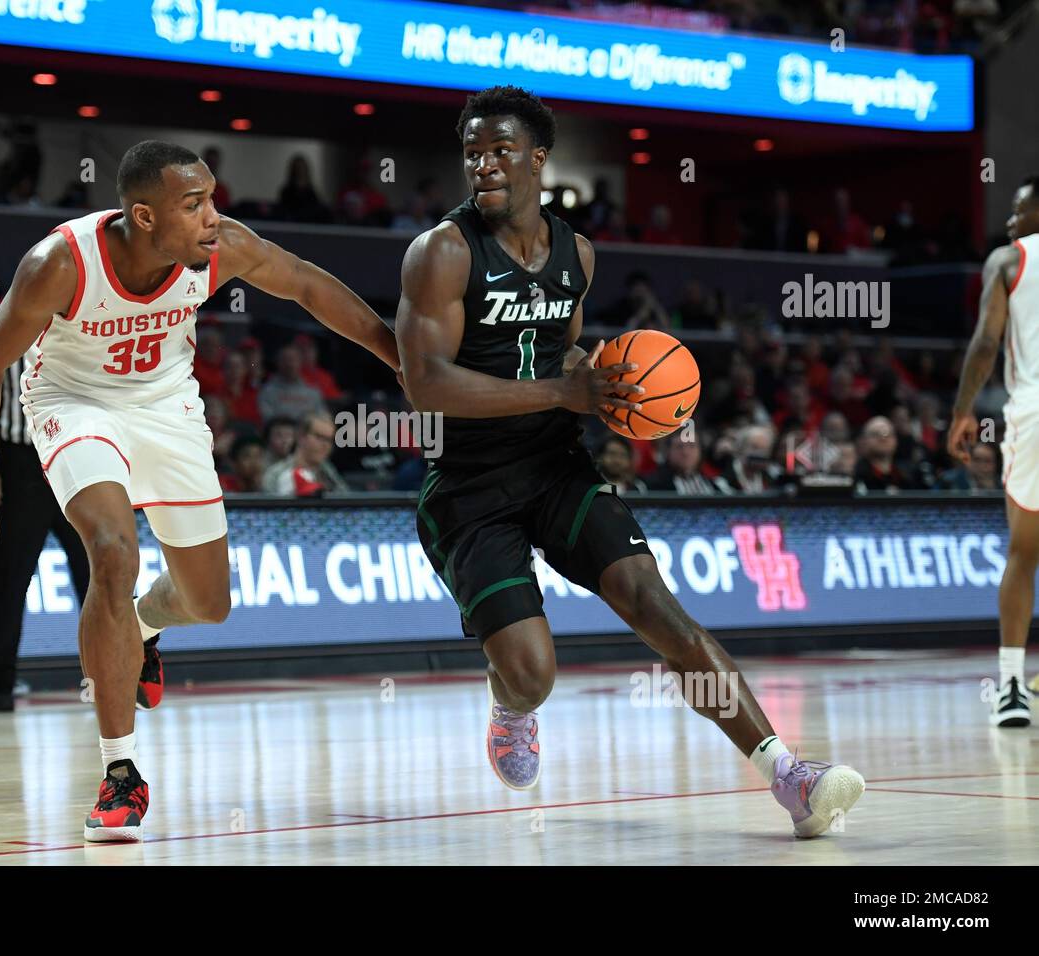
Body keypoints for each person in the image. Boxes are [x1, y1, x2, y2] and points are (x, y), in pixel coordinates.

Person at [395, 85, 863, 837]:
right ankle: (510, 704)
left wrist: (614, 389)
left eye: (500, 149)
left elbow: (567, 353)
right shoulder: (443, 253)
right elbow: (425, 385)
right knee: (532, 674)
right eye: (473, 151)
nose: (483, 163)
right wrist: (562, 390)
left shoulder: (576, 253)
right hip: (468, 488)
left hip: (556, 464)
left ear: (538, 159)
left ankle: (787, 774)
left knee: (658, 607)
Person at [0, 140, 398, 841]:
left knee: (210, 604)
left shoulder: (224, 248)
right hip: (73, 403)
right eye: (195, 206)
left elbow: (307, 284)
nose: (213, 217)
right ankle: (120, 773)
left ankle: (144, 626)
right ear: (143, 216)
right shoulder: (61, 262)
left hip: (167, 408)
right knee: (111, 549)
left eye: (212, 198)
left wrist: (396, 355)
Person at [947, 174, 1039, 727]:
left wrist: (962, 410)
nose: (1009, 221)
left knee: (1024, 553)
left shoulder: (1008, 261)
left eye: (1019, 210)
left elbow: (985, 341)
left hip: (1033, 411)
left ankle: (1009, 688)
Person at [0, 353, 89, 711]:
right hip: (20, 462)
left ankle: (121, 674)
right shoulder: (9, 318)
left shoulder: (87, 315)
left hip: (78, 455)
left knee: (100, 570)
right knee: (10, 578)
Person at [261, 412, 347, 496]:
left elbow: (347, 502)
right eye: (320, 437)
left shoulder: (330, 473)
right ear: (301, 436)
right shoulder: (275, 475)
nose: (325, 445)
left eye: (329, 440)